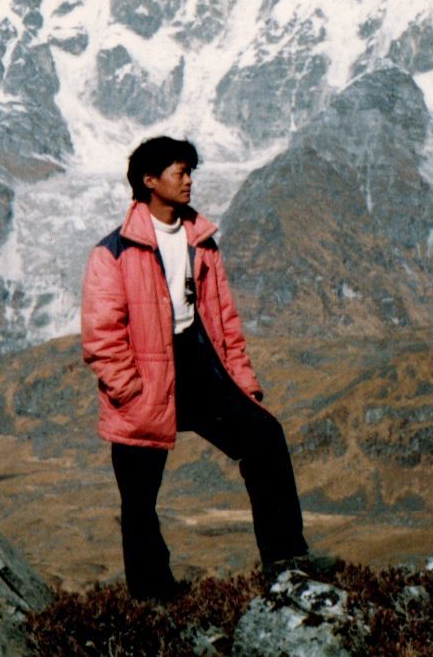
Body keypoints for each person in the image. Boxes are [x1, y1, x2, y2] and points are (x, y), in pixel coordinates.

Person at [80, 135, 311, 601]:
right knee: (139, 499)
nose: (189, 180)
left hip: (199, 370)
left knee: (265, 439)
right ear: (149, 181)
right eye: (179, 171)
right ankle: (152, 598)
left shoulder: (201, 242)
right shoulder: (112, 253)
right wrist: (129, 391)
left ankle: (287, 565)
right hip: (145, 383)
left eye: (190, 171)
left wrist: (244, 383)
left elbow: (225, 319)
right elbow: (102, 335)